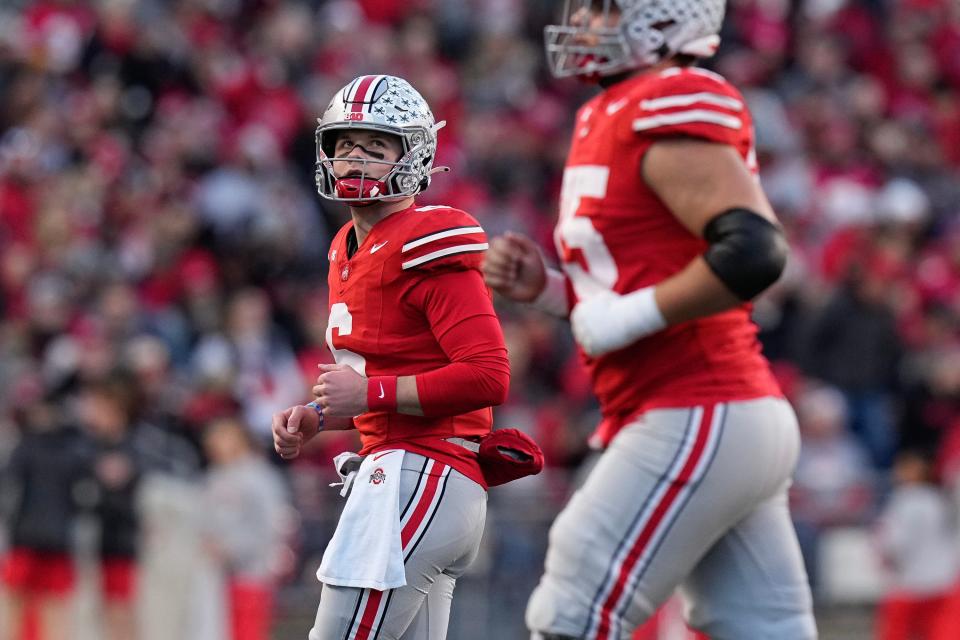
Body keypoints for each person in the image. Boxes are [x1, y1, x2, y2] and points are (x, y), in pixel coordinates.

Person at [482, 2, 817, 638]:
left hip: (696, 404)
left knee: (572, 605)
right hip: (721, 413)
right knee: (762, 629)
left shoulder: (668, 98)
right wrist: (552, 291)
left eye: (603, 8)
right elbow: (631, 289)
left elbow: (753, 251)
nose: (580, 22)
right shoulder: (608, 111)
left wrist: (626, 317)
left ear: (664, 17)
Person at [271, 74, 511, 640]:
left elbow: (488, 374)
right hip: (405, 472)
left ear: (414, 157)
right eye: (344, 146)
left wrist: (370, 395)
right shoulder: (345, 247)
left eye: (375, 149)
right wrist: (319, 416)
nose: (354, 161)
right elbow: (374, 374)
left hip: (423, 471)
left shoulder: (425, 239)